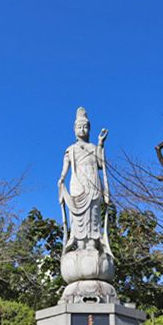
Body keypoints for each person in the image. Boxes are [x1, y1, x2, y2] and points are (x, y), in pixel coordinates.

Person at [58, 107, 110, 252]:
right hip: (78, 185)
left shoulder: (93, 148)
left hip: (93, 184)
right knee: (78, 217)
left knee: (93, 215)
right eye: (79, 127)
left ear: (89, 129)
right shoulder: (71, 149)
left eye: (85, 127)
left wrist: (100, 143)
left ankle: (93, 245)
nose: (82, 130)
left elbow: (100, 164)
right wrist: (61, 179)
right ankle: (80, 245)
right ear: (74, 129)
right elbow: (65, 168)